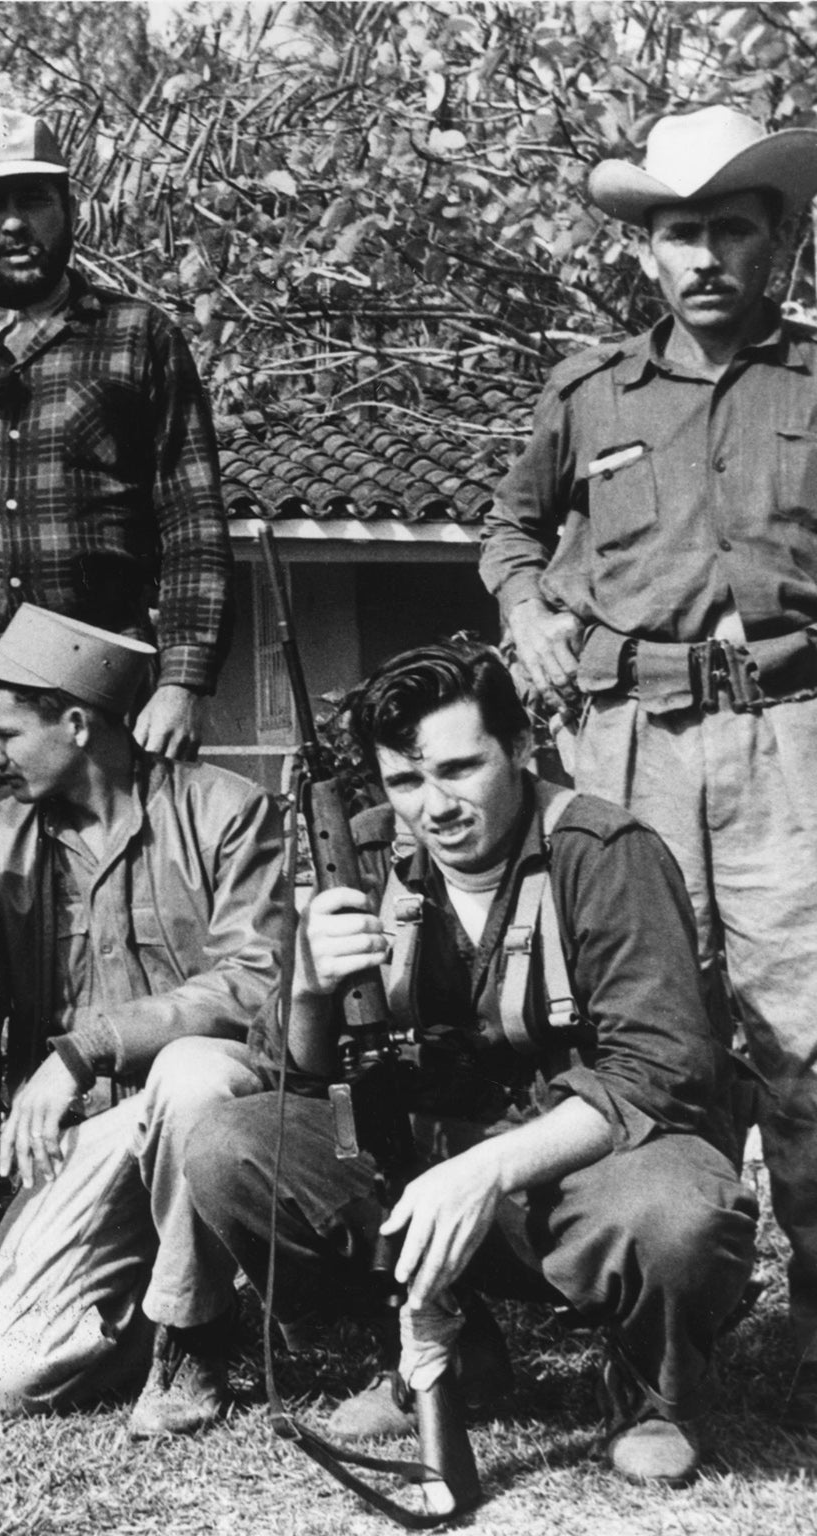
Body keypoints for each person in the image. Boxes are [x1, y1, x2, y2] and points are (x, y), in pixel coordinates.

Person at [181, 642, 757, 1486]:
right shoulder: (364, 857)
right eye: (406, 782)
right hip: (427, 1170)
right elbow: (297, 1081)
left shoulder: (604, 854)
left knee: (682, 1212)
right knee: (230, 1147)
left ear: (522, 749)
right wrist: (307, 987)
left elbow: (661, 1070)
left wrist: (488, 1170)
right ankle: (448, 1354)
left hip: (586, 1175)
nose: (436, 806)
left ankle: (652, 1391)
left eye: (461, 768)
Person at [481, 104, 817, 1427]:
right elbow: (509, 530)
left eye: (732, 228)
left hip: (791, 747)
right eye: (681, 234)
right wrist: (527, 611)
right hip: (630, 757)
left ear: (781, 240)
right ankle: (664, 1361)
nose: (705, 258)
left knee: (805, 1050)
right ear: (649, 254)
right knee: (652, 1047)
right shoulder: (587, 394)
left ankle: (812, 1352)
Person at [0, 108, 235, 1100]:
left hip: (87, 705)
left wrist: (182, 680)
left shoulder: (136, 340)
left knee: (97, 931)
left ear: (67, 209)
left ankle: (105, 1152)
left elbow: (192, 526)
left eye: (32, 200)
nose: (12, 225)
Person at [0, 605, 286, 1421]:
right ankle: (186, 1296)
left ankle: (194, 1344)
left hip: (217, 1121)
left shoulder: (225, 811)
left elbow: (257, 981)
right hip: (83, 1145)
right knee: (11, 1375)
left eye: (4, 734)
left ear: (75, 723)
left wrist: (87, 1048)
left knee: (186, 1075)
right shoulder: (0, 837)